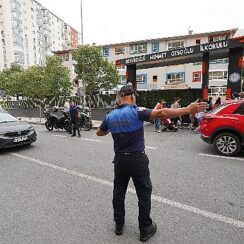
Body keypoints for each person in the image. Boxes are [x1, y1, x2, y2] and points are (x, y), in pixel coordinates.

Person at [96, 85, 208, 242]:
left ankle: (119, 225)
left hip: (120, 160)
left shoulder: (110, 116)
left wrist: (112, 128)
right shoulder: (137, 110)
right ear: (132, 96)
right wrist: (187, 109)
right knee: (143, 193)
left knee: (118, 192)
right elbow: (161, 113)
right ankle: (145, 229)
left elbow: (99, 132)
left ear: (119, 97)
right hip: (137, 159)